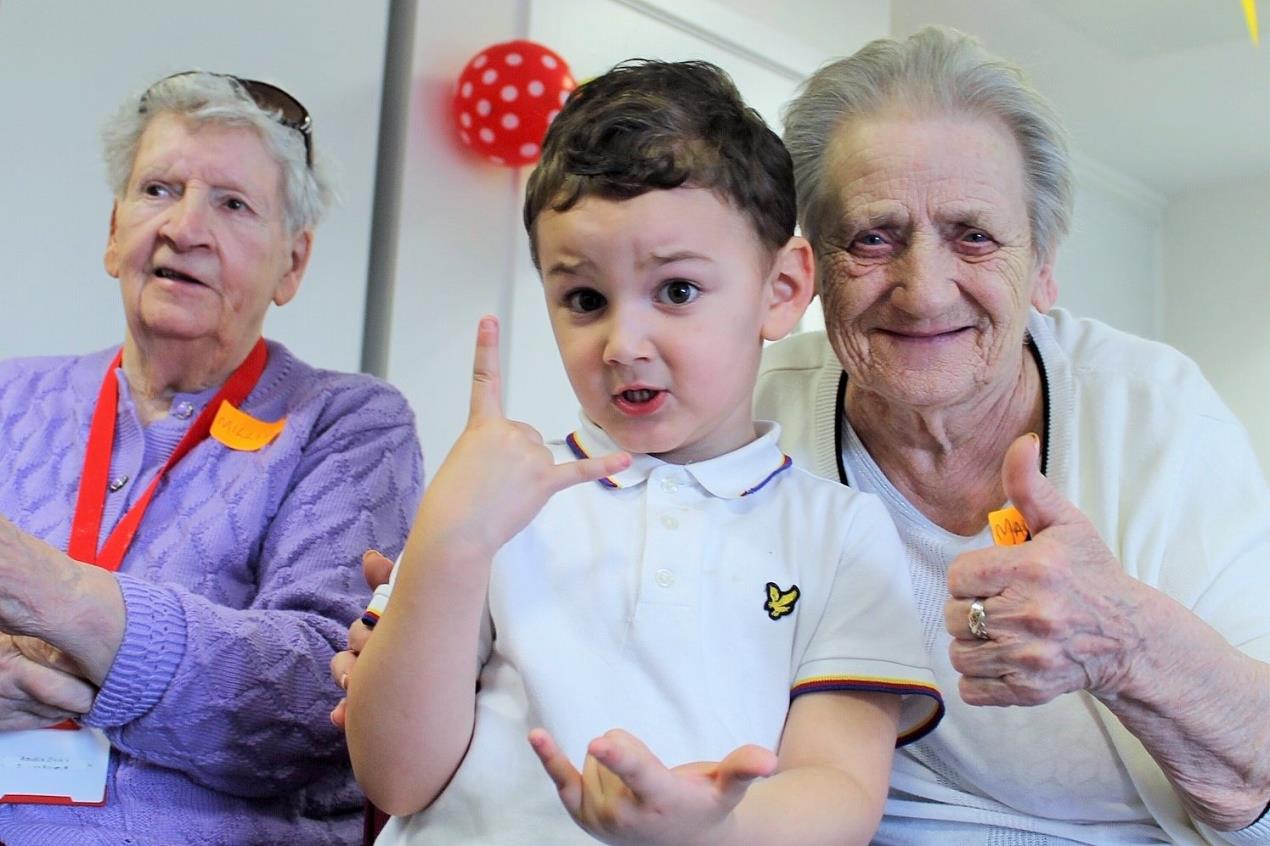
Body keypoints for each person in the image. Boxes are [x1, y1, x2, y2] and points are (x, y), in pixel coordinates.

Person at [344, 60, 942, 846]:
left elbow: (840, 794)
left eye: (678, 291)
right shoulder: (496, 497)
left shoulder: (841, 533)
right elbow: (395, 776)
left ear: (784, 288)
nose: (624, 345)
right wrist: (451, 541)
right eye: (584, 299)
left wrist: (699, 828)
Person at [752, 25, 1270, 845]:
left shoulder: (1155, 415)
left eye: (975, 236)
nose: (923, 293)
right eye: (873, 237)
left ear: (1045, 265)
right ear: (811, 266)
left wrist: (1123, 641)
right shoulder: (746, 422)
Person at [0, 71, 423, 846]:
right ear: (113, 230)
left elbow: (320, 703)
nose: (184, 228)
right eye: (159, 189)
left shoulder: (349, 424)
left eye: (232, 204)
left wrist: (55, 596)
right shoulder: (8, 396)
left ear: (292, 264)